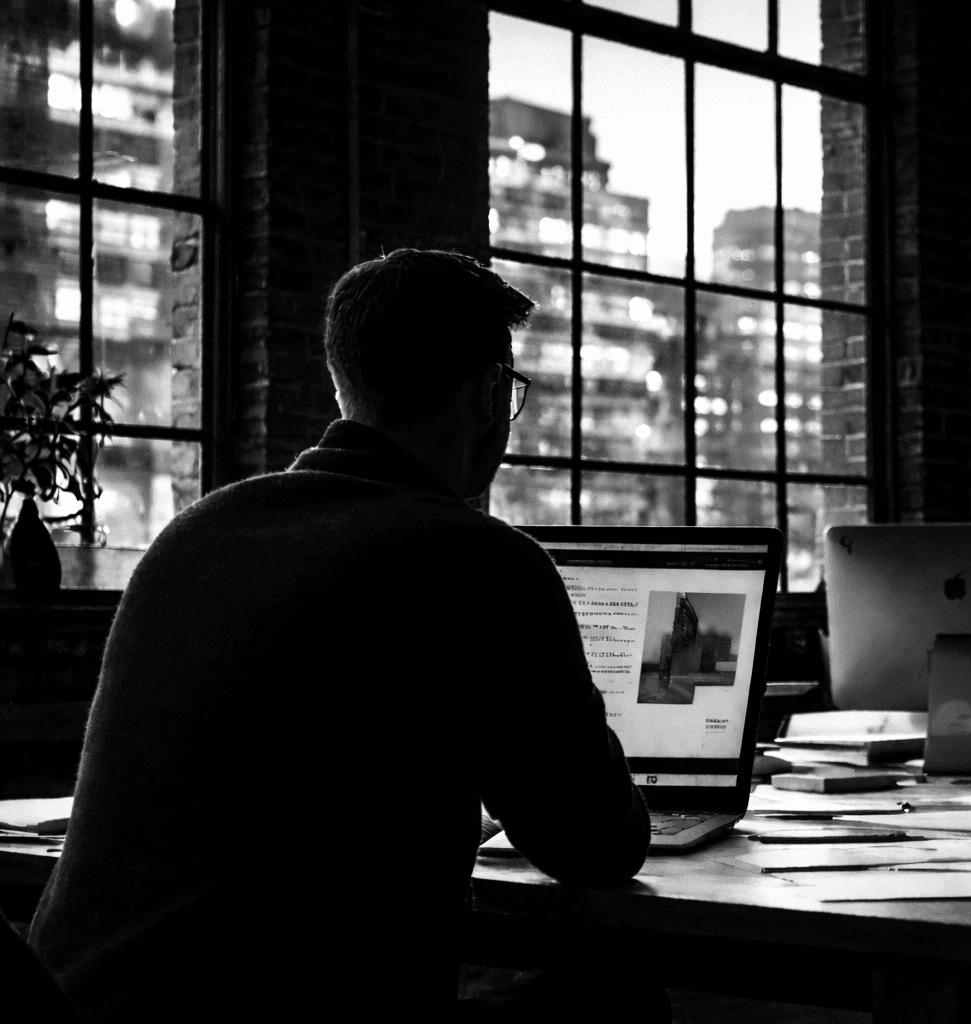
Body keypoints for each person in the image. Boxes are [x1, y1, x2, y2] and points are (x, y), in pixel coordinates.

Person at [29, 250, 656, 1021]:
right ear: (492, 393)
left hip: (73, 1014)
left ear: (343, 383)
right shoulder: (481, 560)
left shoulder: (191, 537)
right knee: (622, 1000)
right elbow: (596, 844)